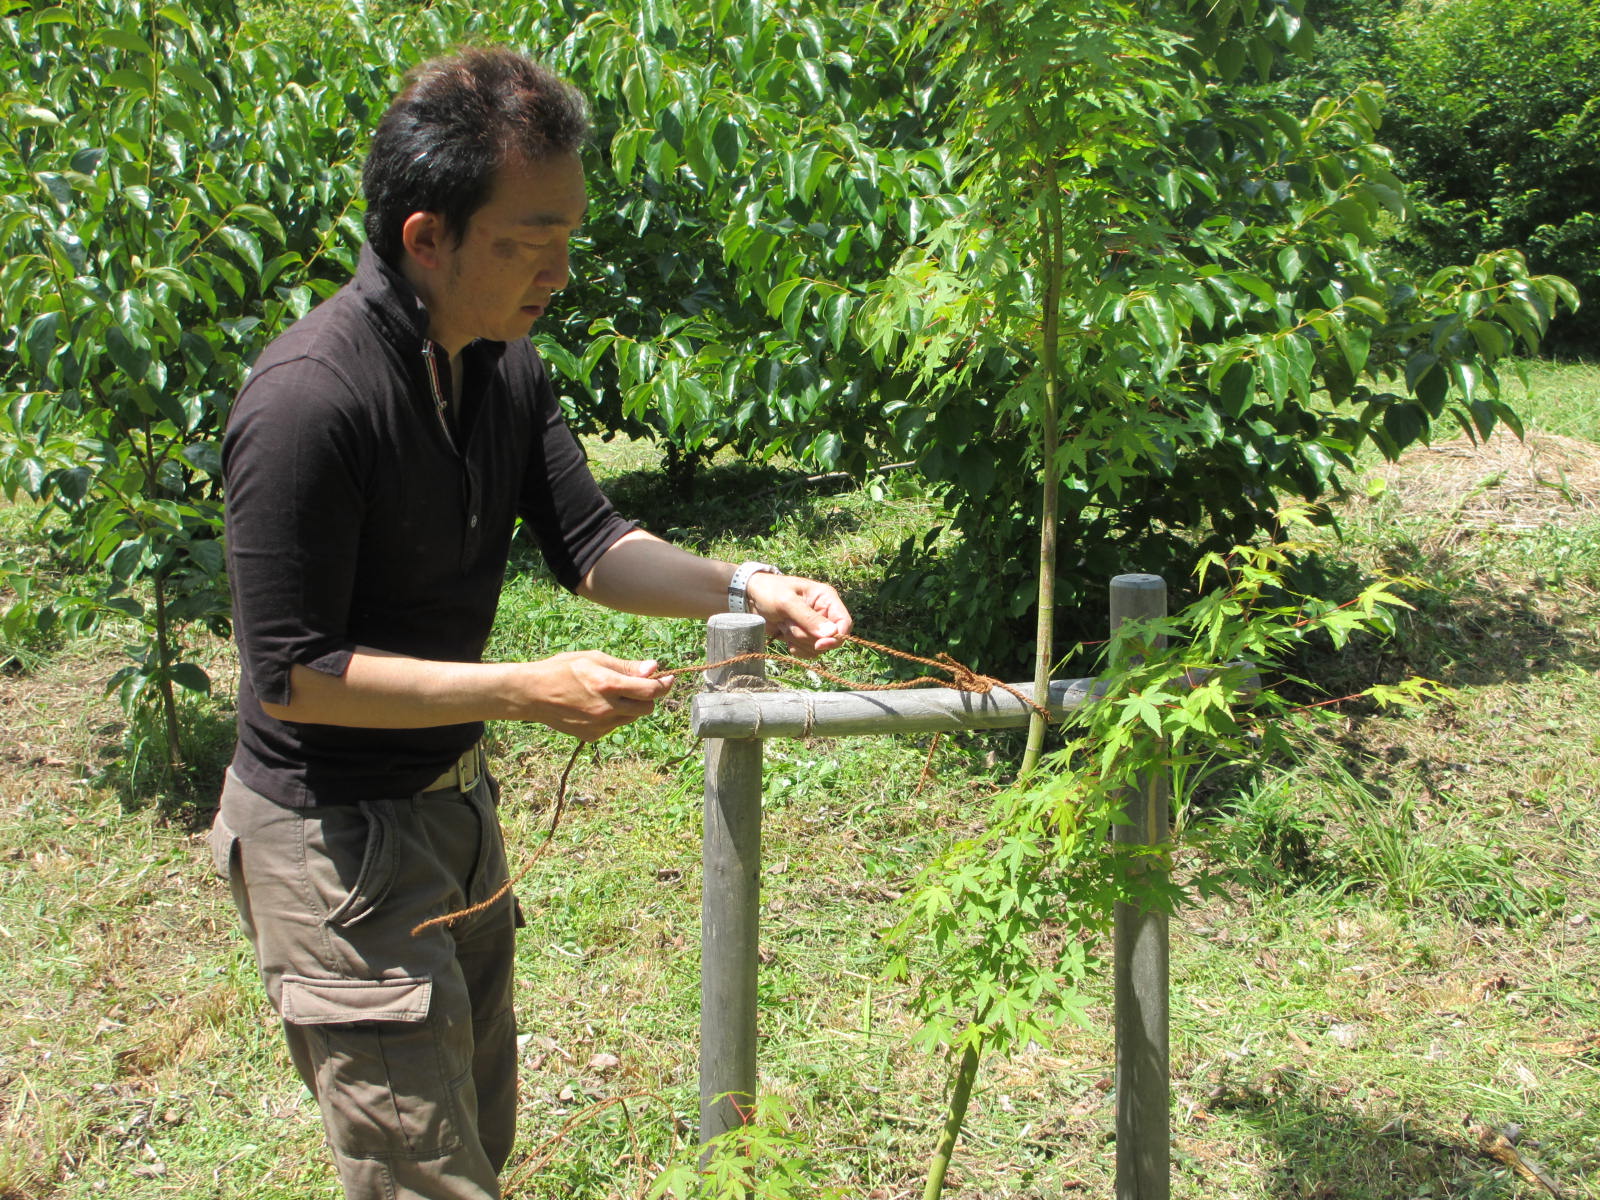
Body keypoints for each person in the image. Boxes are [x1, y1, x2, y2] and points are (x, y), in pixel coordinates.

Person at [207, 46, 852, 1200]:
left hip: (452, 813)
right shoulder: (310, 399)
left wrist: (745, 584)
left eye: (568, 237)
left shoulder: (503, 367)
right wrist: (517, 687)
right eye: (527, 240)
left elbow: (593, 546)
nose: (557, 270)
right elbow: (291, 677)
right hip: (333, 845)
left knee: (473, 1142)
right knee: (426, 1178)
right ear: (425, 237)